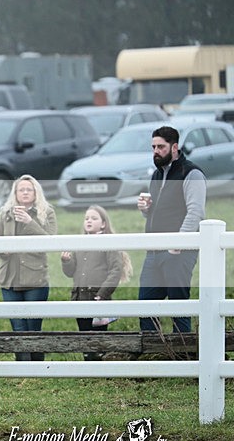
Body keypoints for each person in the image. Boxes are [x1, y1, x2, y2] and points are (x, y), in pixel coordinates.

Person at [137, 125, 206, 333]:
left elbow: (195, 212)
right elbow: (159, 211)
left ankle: (183, 357)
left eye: (161, 147)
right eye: (153, 147)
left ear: (174, 147)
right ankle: (152, 356)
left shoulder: (191, 173)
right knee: (145, 305)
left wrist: (180, 242)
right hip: (154, 250)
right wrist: (145, 209)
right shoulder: (156, 175)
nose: (156, 151)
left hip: (179, 252)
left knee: (179, 306)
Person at [0, 174, 57, 361]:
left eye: (29, 189)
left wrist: (29, 222)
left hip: (35, 278)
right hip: (9, 278)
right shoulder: (5, 213)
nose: (25, 193)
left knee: (33, 325)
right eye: (21, 189)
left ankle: (36, 365)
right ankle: (22, 366)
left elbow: (51, 242)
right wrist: (3, 251)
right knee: (17, 326)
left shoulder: (47, 212)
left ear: (36, 193)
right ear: (15, 193)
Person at [60, 205, 132, 360]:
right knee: (84, 334)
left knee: (98, 335)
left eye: (94, 218)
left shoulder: (108, 243)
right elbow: (70, 272)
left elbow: (115, 271)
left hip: (98, 297)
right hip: (80, 296)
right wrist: (66, 261)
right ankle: (88, 362)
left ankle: (100, 363)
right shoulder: (79, 243)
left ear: (103, 223)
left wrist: (103, 294)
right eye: (86, 218)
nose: (89, 221)